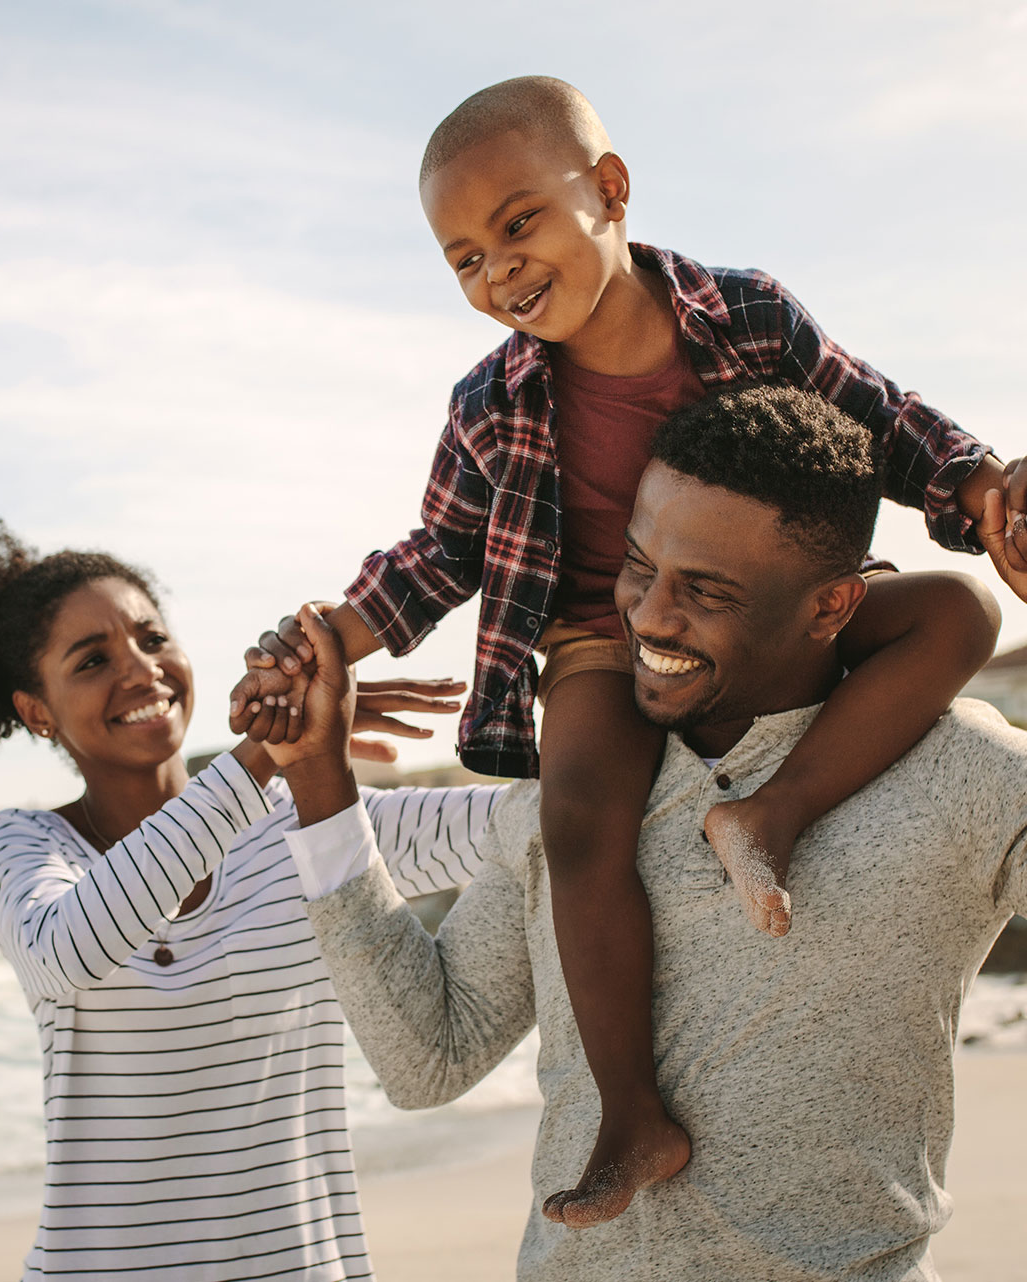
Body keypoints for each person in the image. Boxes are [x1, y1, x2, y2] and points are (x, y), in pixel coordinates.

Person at [231, 75, 1027, 1227]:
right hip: (599, 637)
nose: (497, 272)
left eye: (517, 225)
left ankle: (775, 811)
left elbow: (884, 422)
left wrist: (980, 488)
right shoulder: (489, 402)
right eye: (462, 259)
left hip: (765, 614)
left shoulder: (747, 315)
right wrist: (325, 640)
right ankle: (630, 1112)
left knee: (958, 615)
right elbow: (440, 555)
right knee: (580, 817)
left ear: (608, 189)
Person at [265, 384, 1027, 1281]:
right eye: (637, 566)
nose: (649, 618)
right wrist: (320, 782)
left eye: (705, 590)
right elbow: (428, 1061)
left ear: (831, 607)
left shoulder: (960, 770)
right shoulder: (579, 794)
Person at [0, 523, 502, 1282]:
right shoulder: (22, 845)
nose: (142, 671)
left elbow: (524, 828)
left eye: (153, 639)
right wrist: (264, 752)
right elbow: (69, 951)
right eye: (93, 660)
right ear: (37, 711)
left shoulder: (311, 820)